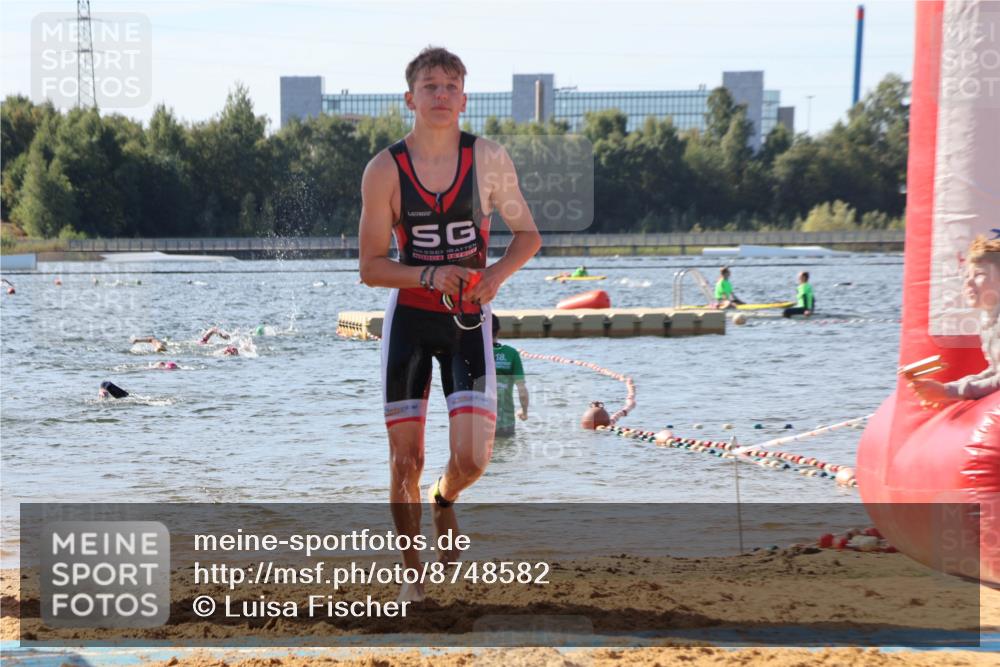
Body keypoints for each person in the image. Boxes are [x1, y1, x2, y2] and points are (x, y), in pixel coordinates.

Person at [358, 46, 541, 602]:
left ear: (464, 98)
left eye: (451, 86)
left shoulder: (487, 159)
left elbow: (528, 237)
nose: (441, 95)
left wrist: (497, 277)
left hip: (467, 322)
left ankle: (444, 499)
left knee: (471, 459)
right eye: (430, 86)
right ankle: (413, 578)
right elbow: (370, 268)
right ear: (409, 98)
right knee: (404, 459)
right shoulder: (385, 169)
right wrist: (427, 273)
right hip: (411, 322)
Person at [909, 236, 1000, 407]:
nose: (969, 282)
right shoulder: (989, 318)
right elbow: (995, 371)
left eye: (979, 274)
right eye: (966, 276)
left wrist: (949, 392)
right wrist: (948, 391)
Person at [491, 315, 528, 437]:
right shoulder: (511, 354)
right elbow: (522, 390)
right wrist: (524, 411)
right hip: (506, 423)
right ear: (499, 330)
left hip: (480, 421)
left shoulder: (474, 352)